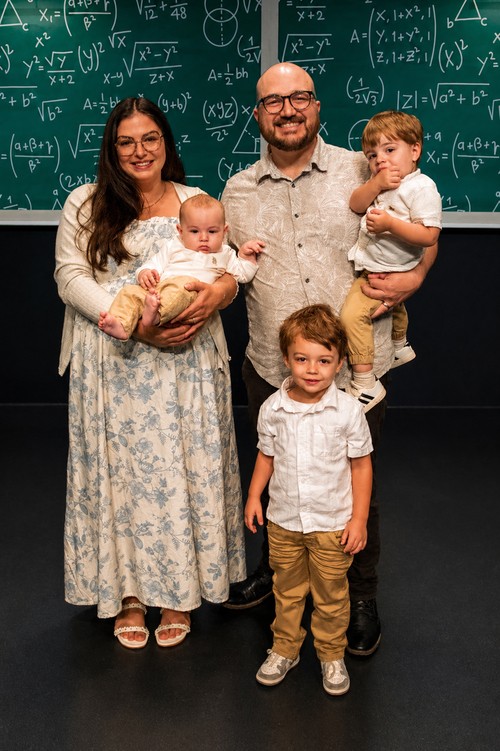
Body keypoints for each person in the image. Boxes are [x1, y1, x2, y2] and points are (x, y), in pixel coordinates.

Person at [221, 62, 438, 656]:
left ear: (317, 106)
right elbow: (228, 266)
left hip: (352, 371)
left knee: (352, 484)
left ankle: (360, 595)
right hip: (271, 366)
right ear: (258, 114)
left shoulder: (364, 168)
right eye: (273, 101)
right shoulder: (237, 191)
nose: (288, 110)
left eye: (300, 98)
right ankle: (275, 571)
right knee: (280, 474)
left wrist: (417, 277)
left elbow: (424, 230)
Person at [55, 97, 246, 650]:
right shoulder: (86, 202)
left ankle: (176, 592)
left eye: (150, 138)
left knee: (179, 473)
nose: (140, 151)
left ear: (166, 142)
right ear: (111, 148)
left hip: (186, 369)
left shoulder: (195, 201)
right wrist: (132, 327)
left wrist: (217, 294)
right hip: (111, 361)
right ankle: (129, 595)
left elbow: (228, 270)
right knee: (120, 479)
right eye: (126, 141)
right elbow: (69, 276)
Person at [245, 304, 373, 694]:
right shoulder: (273, 409)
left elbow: (361, 467)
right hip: (284, 522)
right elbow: (266, 456)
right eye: (302, 359)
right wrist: (254, 496)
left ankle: (331, 654)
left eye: (323, 360)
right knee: (286, 591)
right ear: (287, 359)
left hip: (332, 524)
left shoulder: (347, 412)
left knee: (331, 595)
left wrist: (359, 520)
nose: (312, 369)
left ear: (340, 363)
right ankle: (285, 648)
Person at [340, 111, 442, 411]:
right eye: (372, 155)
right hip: (377, 263)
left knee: (351, 317)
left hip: (389, 270)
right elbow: (355, 204)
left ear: (415, 150)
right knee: (395, 308)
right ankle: (400, 344)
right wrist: (375, 184)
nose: (380, 160)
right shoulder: (379, 182)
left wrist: (390, 225)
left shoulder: (421, 188)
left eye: (389, 149)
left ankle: (366, 383)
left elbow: (429, 235)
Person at [98, 193, 262, 340]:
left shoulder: (225, 253)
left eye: (212, 232)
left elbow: (243, 274)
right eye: (194, 231)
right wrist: (145, 273)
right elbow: (154, 263)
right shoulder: (174, 246)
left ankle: (155, 316)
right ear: (180, 231)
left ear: (224, 231)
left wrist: (246, 257)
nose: (204, 238)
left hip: (189, 294)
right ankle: (121, 324)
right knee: (130, 292)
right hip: (157, 292)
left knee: (180, 290)